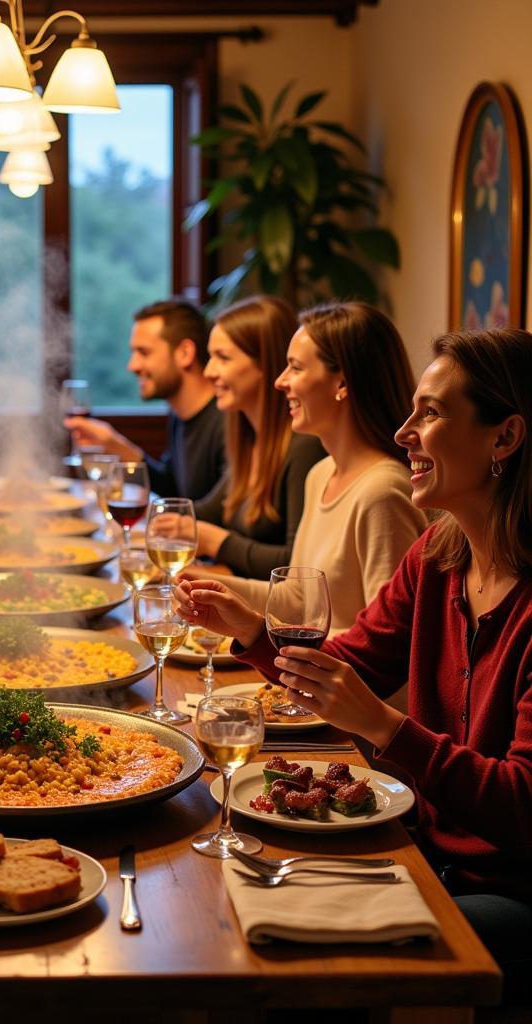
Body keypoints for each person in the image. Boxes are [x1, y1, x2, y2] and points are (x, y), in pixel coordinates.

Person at [176, 328, 532, 1001]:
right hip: (427, 848)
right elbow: (346, 663)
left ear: (504, 438)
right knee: (235, 907)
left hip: (511, 894)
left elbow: (521, 806)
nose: (404, 433)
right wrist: (253, 633)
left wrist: (386, 728)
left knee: (305, 966)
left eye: (429, 413)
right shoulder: (435, 559)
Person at [184, 302, 427, 632]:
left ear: (341, 384)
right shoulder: (320, 474)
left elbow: (386, 642)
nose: (280, 382)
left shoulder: (381, 492)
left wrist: (259, 635)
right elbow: (297, 598)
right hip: (307, 677)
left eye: (296, 368)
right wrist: (211, 585)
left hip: (344, 683)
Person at [192, 295, 326, 578]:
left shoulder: (304, 446)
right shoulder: (249, 439)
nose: (208, 371)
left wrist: (219, 543)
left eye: (223, 358)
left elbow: (298, 563)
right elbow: (207, 512)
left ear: (266, 365)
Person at [63, 298, 225, 500]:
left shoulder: (226, 422)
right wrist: (115, 445)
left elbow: (217, 516)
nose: (132, 366)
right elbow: (169, 487)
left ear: (185, 353)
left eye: (144, 352)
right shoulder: (180, 417)